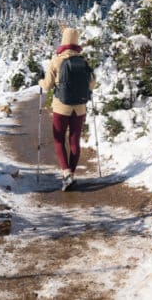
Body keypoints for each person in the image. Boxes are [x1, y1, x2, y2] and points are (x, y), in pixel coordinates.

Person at [39, 27, 96, 191]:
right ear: (76, 41)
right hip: (80, 108)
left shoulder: (56, 60)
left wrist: (40, 83)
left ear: (63, 40)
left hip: (61, 107)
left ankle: (66, 174)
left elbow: (48, 85)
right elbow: (92, 84)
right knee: (74, 140)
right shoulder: (84, 61)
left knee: (58, 139)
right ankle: (72, 173)